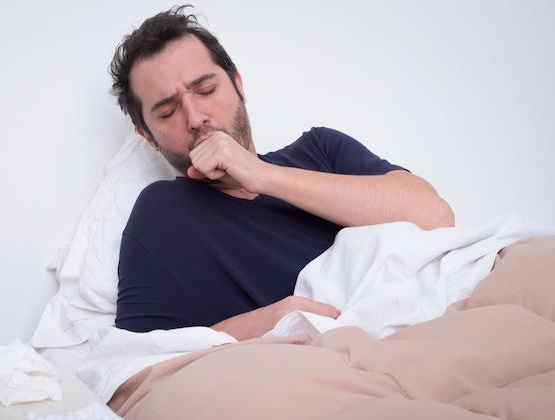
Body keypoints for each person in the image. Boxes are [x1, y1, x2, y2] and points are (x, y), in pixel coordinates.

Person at [109, 6, 454, 340]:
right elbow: (135, 356)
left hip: (427, 323)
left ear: (238, 85)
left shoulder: (321, 149)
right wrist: (266, 323)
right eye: (168, 112)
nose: (196, 118)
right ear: (148, 137)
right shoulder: (163, 212)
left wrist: (261, 174)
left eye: (206, 90)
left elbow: (435, 216)